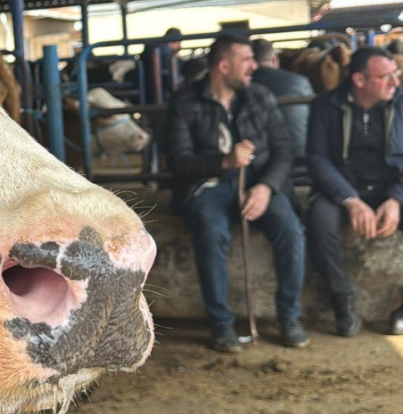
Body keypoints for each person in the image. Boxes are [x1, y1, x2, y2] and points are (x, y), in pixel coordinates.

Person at [163, 33, 309, 352]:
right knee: (210, 231)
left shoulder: (260, 97)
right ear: (224, 66)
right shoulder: (184, 103)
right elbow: (178, 163)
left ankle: (289, 316)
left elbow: (284, 151)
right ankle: (222, 324)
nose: (254, 66)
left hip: (259, 184)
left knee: (291, 231)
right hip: (209, 187)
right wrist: (224, 161)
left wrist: (266, 188)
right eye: (246, 60)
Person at [305, 46, 403, 336]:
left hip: (391, 187)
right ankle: (342, 300)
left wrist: (397, 199)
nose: (395, 83)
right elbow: (317, 158)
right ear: (360, 80)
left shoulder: (401, 102)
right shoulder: (326, 105)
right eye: (386, 77)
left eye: (395, 75)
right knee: (319, 221)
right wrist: (350, 199)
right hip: (343, 190)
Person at [250, 38, 315, 159]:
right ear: (275, 60)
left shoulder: (243, 87)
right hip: (300, 154)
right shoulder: (299, 81)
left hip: (259, 161)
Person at [141, 27, 184, 104]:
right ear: (175, 42)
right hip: (161, 95)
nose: (180, 47)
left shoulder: (153, 47)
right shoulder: (167, 54)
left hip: (147, 91)